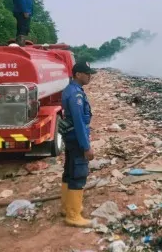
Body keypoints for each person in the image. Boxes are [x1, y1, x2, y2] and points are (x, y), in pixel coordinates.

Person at [58, 61, 97, 227]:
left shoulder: (72, 89)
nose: (90, 76)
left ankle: (67, 207)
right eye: (87, 74)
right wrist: (86, 146)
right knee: (79, 173)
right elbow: (80, 122)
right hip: (76, 137)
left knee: (69, 171)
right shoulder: (76, 95)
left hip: (70, 137)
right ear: (78, 74)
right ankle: (73, 215)